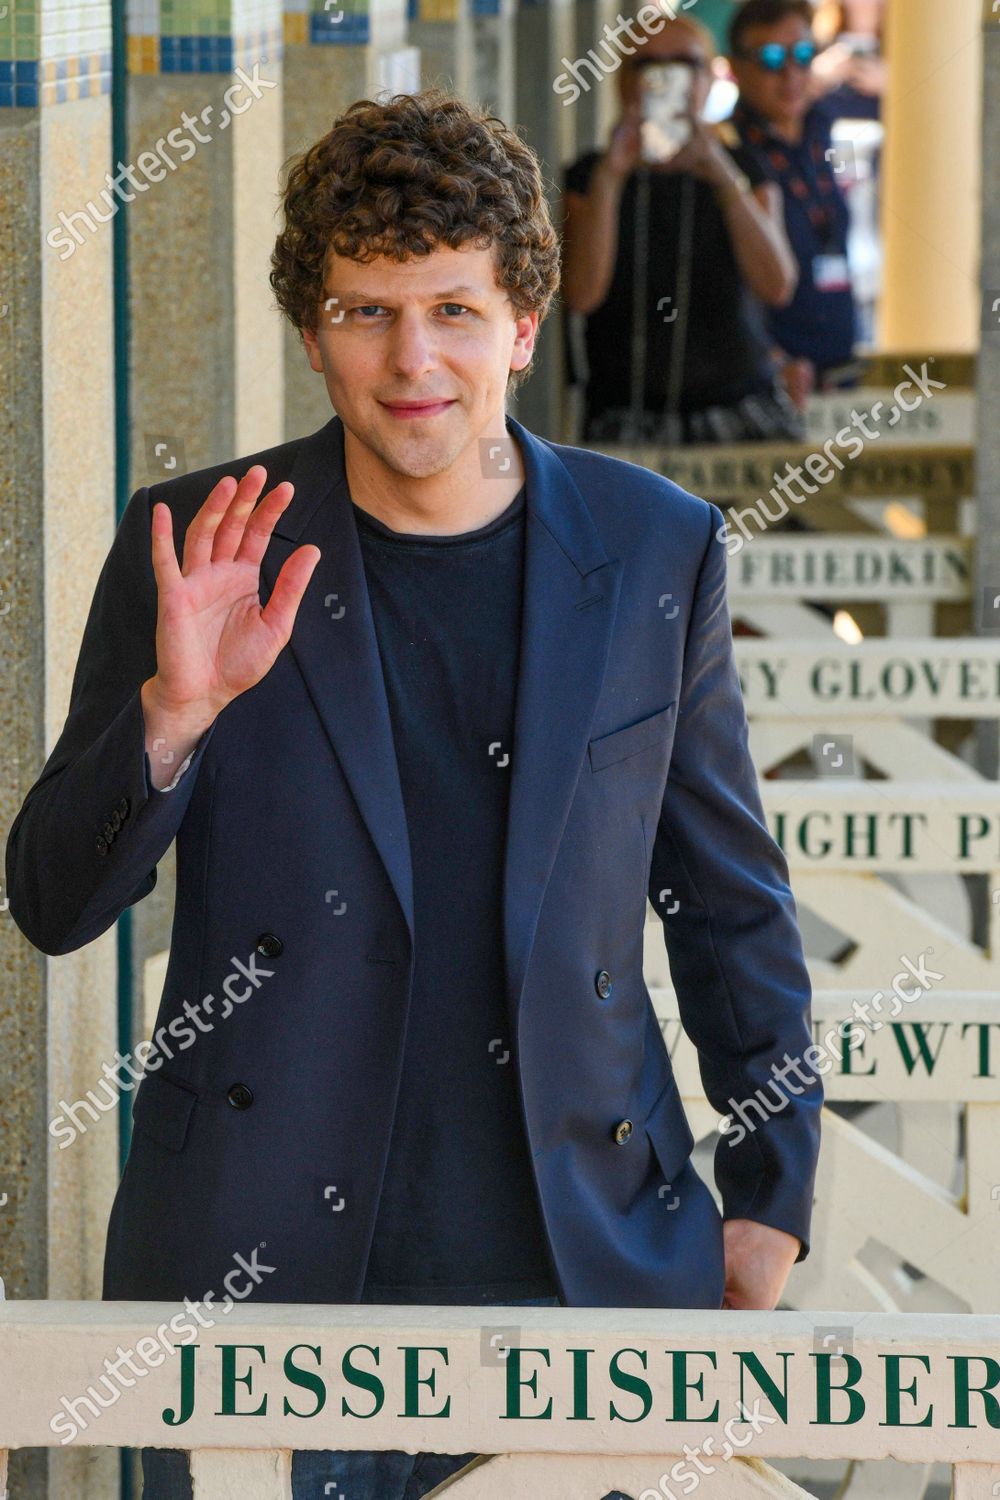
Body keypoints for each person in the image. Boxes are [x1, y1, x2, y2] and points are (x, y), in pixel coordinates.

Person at [5, 88, 822, 1500]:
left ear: (520, 320)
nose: (411, 359)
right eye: (366, 311)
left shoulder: (654, 551)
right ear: (313, 330)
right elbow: (55, 905)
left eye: (451, 308)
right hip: (255, 1281)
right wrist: (174, 713)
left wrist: (778, 1191)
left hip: (584, 1263)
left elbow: (728, 900)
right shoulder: (205, 546)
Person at [561, 12, 804, 445]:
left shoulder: (743, 168)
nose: (666, 78)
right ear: (622, 82)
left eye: (685, 65)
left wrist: (721, 173)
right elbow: (581, 295)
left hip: (738, 409)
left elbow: (778, 285)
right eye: (649, 65)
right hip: (629, 414)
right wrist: (612, 176)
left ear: (708, 80)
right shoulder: (589, 176)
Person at [729, 0, 860, 404]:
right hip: (771, 381)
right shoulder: (727, 156)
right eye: (770, 58)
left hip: (841, 368)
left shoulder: (824, 127)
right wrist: (770, 358)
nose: (790, 74)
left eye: (803, 55)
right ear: (736, 69)